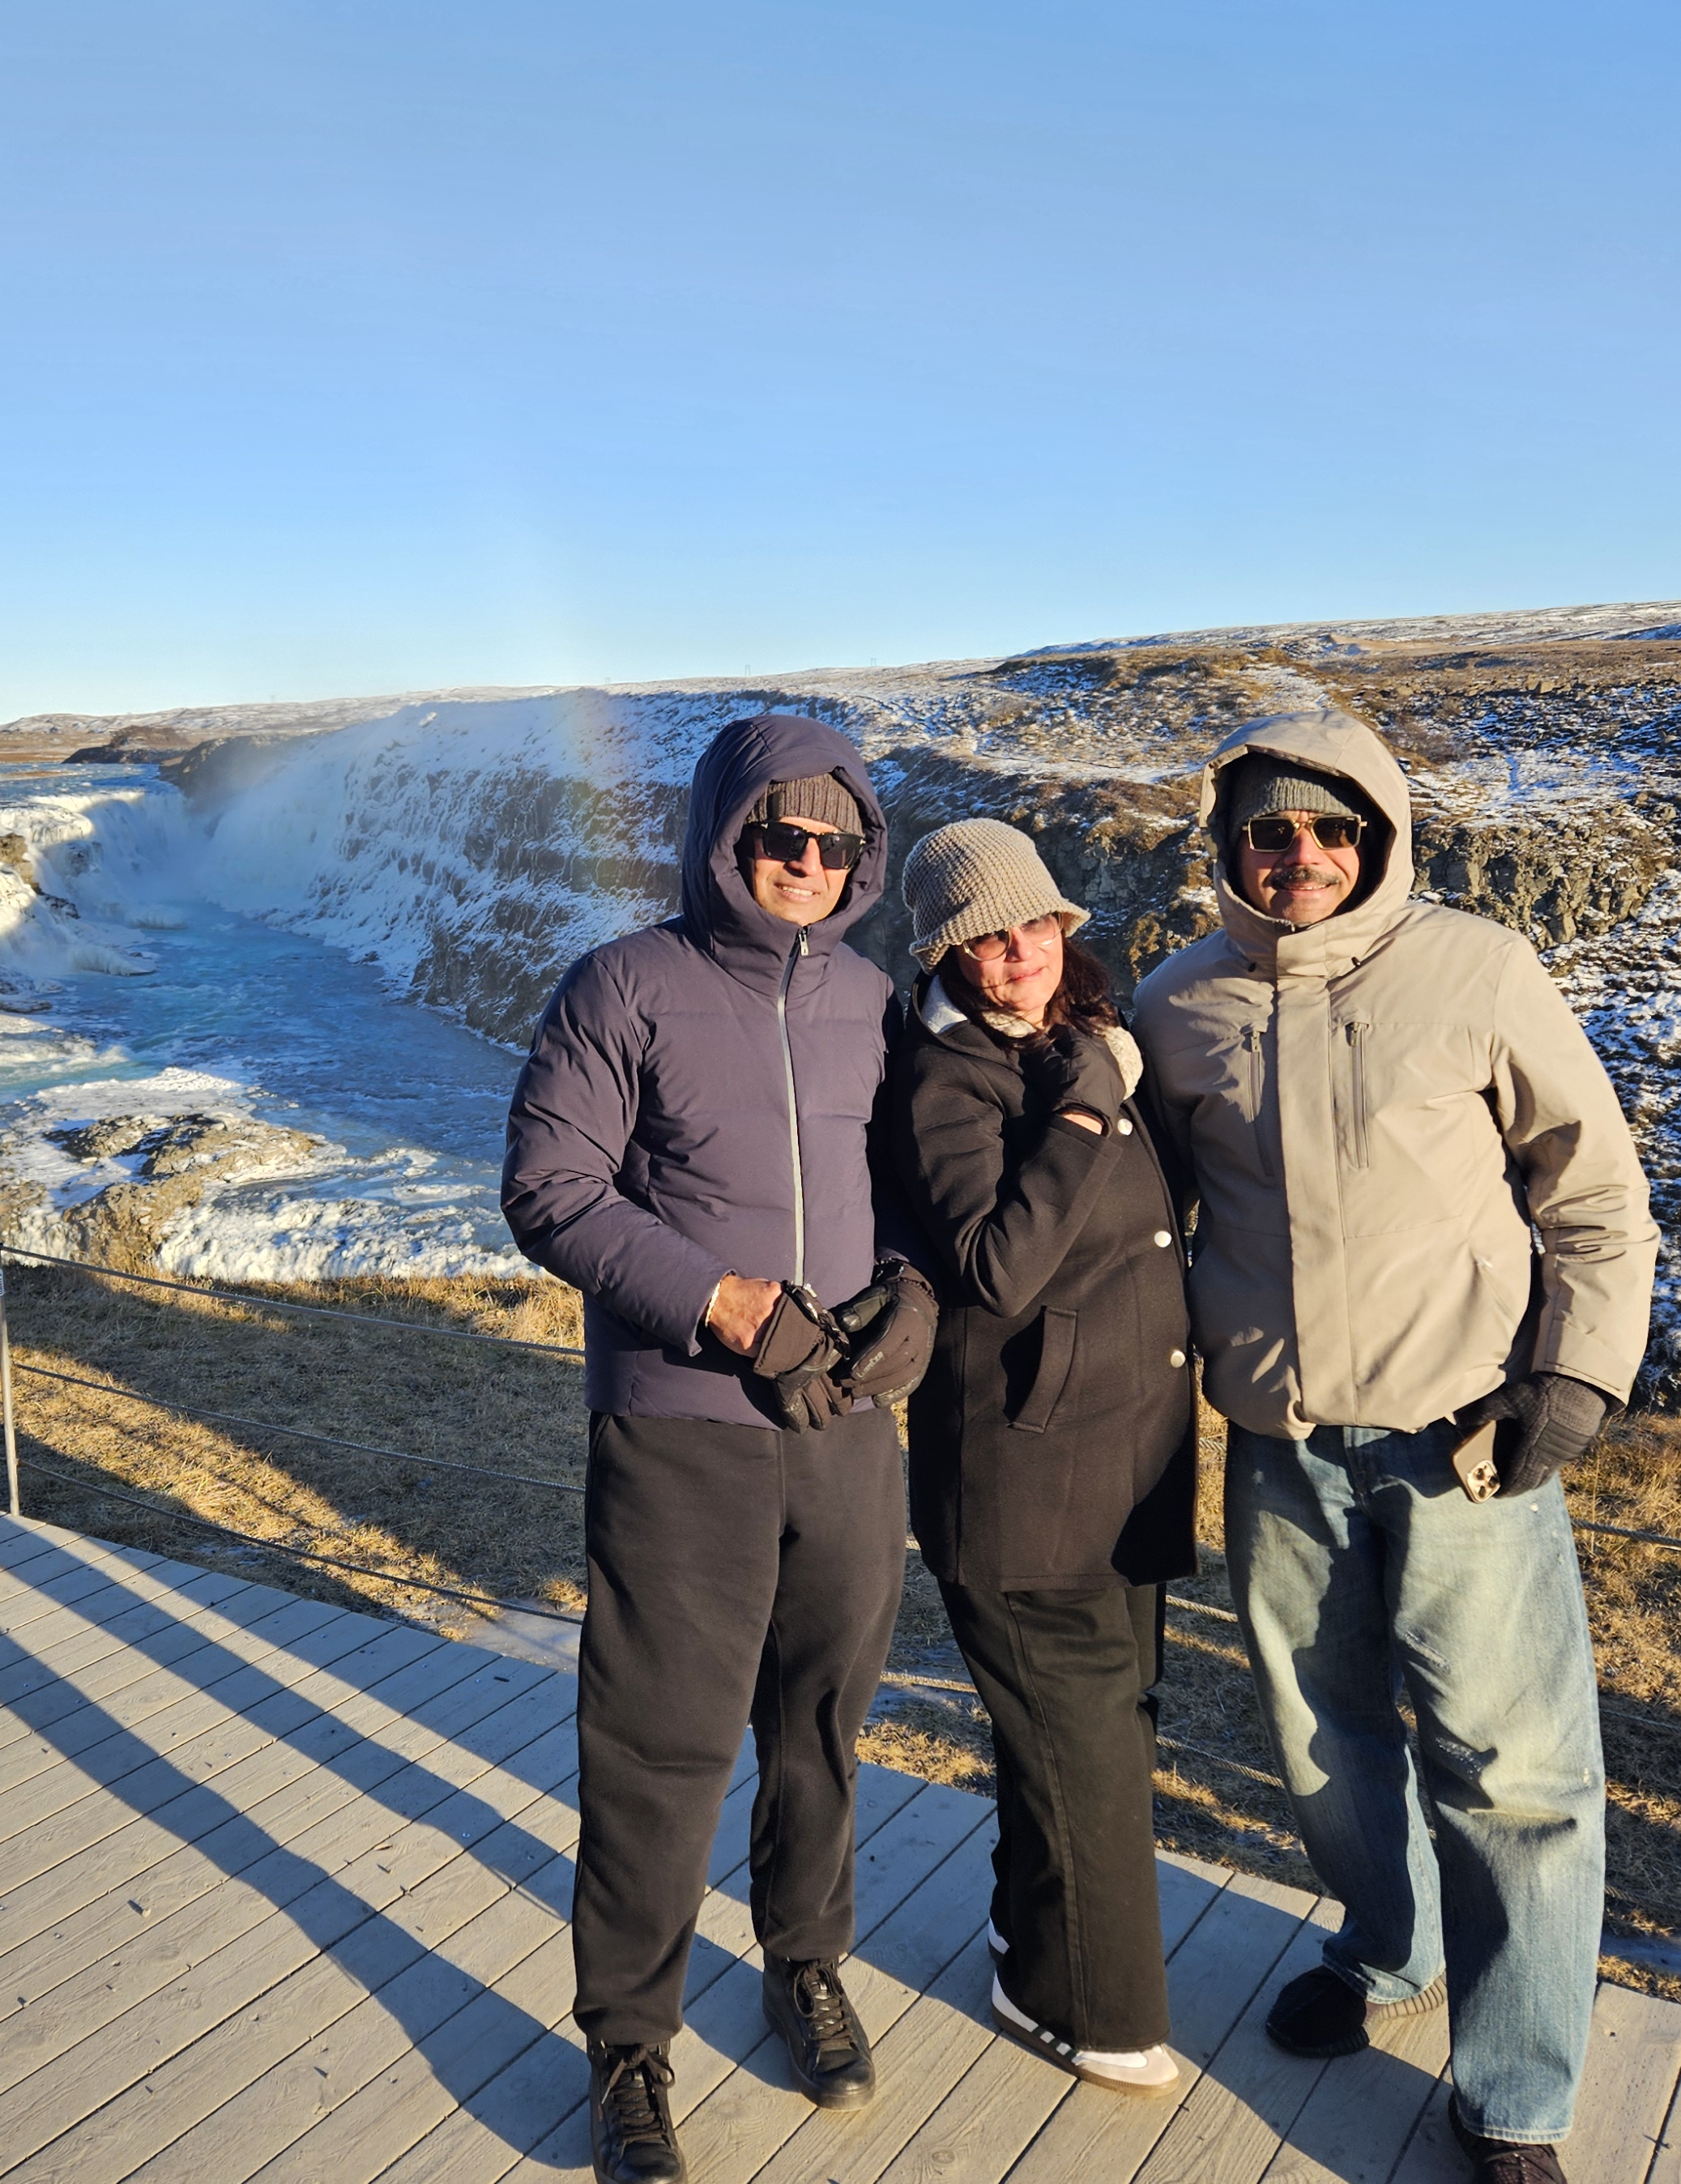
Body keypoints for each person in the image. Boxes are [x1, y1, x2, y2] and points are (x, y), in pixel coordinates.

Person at [1131, 707, 1658, 2184]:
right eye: (1268, 829)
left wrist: (1577, 1374)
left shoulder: (1477, 970)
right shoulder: (1178, 1005)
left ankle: (1516, 2100)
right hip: (1282, 1448)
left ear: (1378, 836)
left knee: (1514, 1773)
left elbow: (1592, 1190)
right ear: (1228, 844)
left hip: (1466, 1439)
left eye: (1331, 827)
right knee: (1324, 1744)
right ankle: (1390, 1950)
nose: (1299, 854)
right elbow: (1137, 1214)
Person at [501, 713, 935, 2184]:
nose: (804, 861)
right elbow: (552, 1187)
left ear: (863, 855)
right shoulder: (625, 983)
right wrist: (723, 1303)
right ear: (722, 836)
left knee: (822, 1722)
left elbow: (906, 1185)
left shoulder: (873, 998)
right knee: (657, 1746)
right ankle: (629, 2044)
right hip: (683, 1427)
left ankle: (804, 1965)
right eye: (776, 835)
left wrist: (914, 1294)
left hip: (846, 1431)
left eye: (834, 841)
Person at [879, 819, 1197, 2097]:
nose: (1019, 955)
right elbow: (996, 1269)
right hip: (1023, 1478)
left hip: (1126, 1460)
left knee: (1095, 1730)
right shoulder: (946, 1079)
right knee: (1092, 1759)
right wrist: (1082, 1107)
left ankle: (1024, 1945)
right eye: (985, 939)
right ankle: (1093, 2011)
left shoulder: (1085, 1037)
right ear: (944, 955)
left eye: (1036, 926)